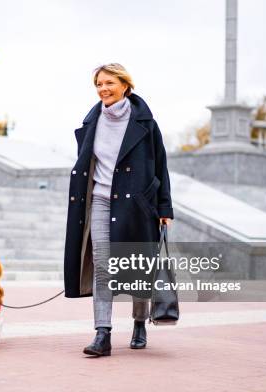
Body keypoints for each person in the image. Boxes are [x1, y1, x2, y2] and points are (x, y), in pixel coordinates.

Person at [63, 63, 174, 357]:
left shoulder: (146, 123)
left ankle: (139, 322)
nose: (103, 89)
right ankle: (103, 333)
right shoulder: (92, 122)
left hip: (137, 203)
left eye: (109, 83)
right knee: (103, 265)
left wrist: (165, 207)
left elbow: (161, 165)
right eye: (98, 84)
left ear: (125, 85)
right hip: (100, 198)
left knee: (136, 266)